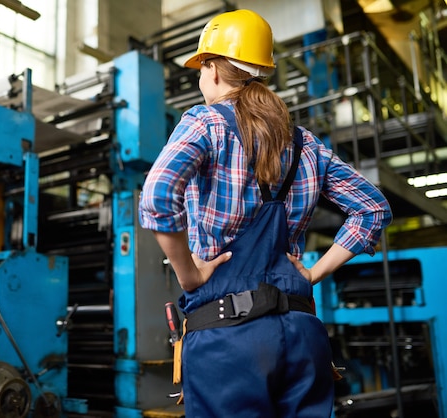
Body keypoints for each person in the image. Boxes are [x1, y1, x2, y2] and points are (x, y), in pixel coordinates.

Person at [138, 8, 392, 418]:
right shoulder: (305, 143)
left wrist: (188, 274)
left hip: (228, 340)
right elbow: (372, 208)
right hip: (304, 337)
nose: (200, 79)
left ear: (214, 69)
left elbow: (157, 197)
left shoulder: (205, 123)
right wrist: (314, 272)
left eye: (200, 69)